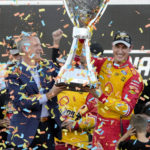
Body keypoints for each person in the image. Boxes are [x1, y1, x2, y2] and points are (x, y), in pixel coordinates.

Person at [82, 31, 143, 150]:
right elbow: (82, 59)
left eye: (124, 47)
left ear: (131, 49)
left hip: (118, 128)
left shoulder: (134, 76)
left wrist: (101, 96)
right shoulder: (105, 63)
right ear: (112, 46)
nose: (120, 51)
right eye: (117, 46)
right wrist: (80, 39)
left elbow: (126, 109)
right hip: (100, 125)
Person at [5, 32, 65, 150]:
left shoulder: (48, 66)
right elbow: (22, 102)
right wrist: (49, 95)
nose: (40, 49)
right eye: (36, 46)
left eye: (40, 45)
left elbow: (66, 75)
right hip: (24, 133)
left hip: (48, 130)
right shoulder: (13, 73)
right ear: (25, 48)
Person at [51, 29, 104, 150]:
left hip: (79, 144)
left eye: (96, 57)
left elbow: (95, 118)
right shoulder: (62, 81)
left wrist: (75, 124)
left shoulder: (93, 85)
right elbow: (55, 64)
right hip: (56, 141)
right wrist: (56, 43)